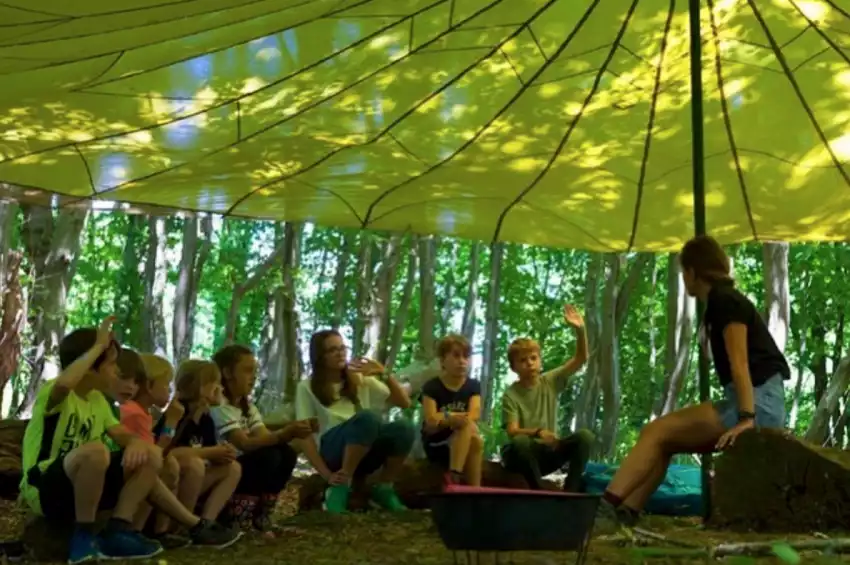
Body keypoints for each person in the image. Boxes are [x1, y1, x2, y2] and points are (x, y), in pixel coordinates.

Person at [595, 235, 789, 533]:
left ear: (692, 272)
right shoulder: (719, 302)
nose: (683, 279)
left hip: (757, 403)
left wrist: (746, 418)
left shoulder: (725, 301)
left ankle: (604, 508)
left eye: (683, 272)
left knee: (656, 431)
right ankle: (626, 512)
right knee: (664, 439)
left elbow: (740, 364)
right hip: (750, 398)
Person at [19, 318, 241, 565]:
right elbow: (64, 383)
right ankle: (83, 539)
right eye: (111, 364)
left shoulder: (98, 401)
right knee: (96, 451)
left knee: (150, 453)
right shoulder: (55, 392)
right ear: (92, 365)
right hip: (45, 487)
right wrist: (98, 346)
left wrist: (135, 443)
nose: (116, 371)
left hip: (84, 485)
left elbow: (124, 435)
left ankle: (119, 529)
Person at [295, 329, 415, 514]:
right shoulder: (306, 387)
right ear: (320, 356)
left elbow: (404, 403)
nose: (340, 353)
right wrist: (326, 475)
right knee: (367, 418)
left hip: (365, 449)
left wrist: (383, 373)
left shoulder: (359, 379)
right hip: (333, 451)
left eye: (342, 348)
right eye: (333, 350)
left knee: (404, 428)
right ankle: (340, 487)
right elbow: (304, 436)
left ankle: (384, 488)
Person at [210, 344, 314, 533]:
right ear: (227, 373)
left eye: (255, 371)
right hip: (225, 470)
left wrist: (291, 433)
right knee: (268, 457)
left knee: (285, 453)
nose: (254, 377)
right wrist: (285, 433)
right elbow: (244, 443)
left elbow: (265, 437)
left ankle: (261, 515)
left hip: (242, 467)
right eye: (247, 370)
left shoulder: (247, 408)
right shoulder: (220, 407)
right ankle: (237, 516)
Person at [499, 305, 593, 493]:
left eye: (533, 358)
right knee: (520, 441)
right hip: (522, 457)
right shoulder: (511, 394)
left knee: (585, 437)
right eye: (523, 360)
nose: (529, 363)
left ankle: (571, 491)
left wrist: (580, 330)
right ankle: (538, 489)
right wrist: (539, 432)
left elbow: (581, 359)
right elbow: (512, 431)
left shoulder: (550, 381)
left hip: (549, 453)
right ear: (514, 367)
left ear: (540, 361)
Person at [153, 359, 242, 533]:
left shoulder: (205, 418)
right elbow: (170, 452)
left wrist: (222, 453)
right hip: (170, 482)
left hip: (193, 482)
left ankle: (206, 522)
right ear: (197, 387)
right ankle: (180, 527)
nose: (220, 388)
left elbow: (209, 451)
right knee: (195, 465)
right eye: (213, 383)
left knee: (233, 468)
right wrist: (210, 452)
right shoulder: (179, 413)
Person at [118, 352, 189, 548]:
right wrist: (171, 421)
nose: (169, 390)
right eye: (166, 384)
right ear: (149, 386)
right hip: (128, 472)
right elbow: (154, 454)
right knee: (165, 467)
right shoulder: (134, 413)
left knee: (170, 464)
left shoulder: (143, 412)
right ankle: (138, 529)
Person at [420, 334, 483, 487]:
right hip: (437, 442)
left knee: (475, 438)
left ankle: (473, 489)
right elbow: (431, 420)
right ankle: (455, 476)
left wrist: (446, 416)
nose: (462, 361)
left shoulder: (473, 386)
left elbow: (474, 414)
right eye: (456, 356)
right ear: (442, 360)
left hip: (465, 440)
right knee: (467, 426)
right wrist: (451, 419)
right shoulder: (432, 386)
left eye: (466, 356)